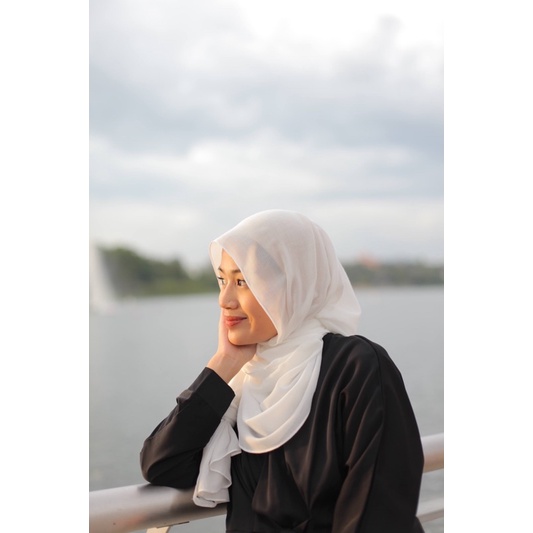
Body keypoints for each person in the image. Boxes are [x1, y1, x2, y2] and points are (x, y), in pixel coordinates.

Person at [140, 209, 425, 533]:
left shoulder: (356, 369)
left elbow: (379, 515)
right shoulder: (243, 385)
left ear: (292, 285)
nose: (225, 299)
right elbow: (161, 465)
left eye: (243, 281)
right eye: (222, 280)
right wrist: (224, 363)